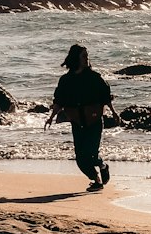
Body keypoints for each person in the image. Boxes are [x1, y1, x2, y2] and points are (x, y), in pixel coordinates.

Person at [46, 43, 119, 192]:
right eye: (84, 56)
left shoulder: (94, 77)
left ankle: (103, 166)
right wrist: (51, 117)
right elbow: (59, 101)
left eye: (87, 56)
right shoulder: (65, 81)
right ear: (76, 58)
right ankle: (97, 181)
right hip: (77, 122)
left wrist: (114, 112)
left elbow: (105, 96)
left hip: (94, 121)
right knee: (80, 159)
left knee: (91, 156)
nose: (87, 59)